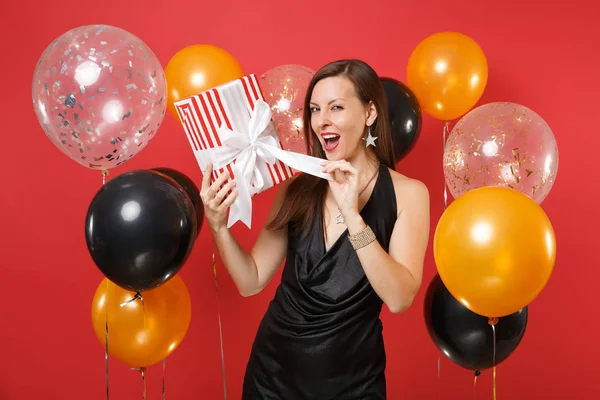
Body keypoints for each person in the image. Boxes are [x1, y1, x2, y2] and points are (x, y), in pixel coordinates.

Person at [199, 59, 430, 399]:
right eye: (315, 109)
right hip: (271, 378)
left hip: (352, 384)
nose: (322, 121)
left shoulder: (408, 194)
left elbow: (398, 298)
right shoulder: (296, 189)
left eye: (336, 107)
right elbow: (250, 281)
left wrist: (353, 215)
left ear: (369, 113)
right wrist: (218, 226)